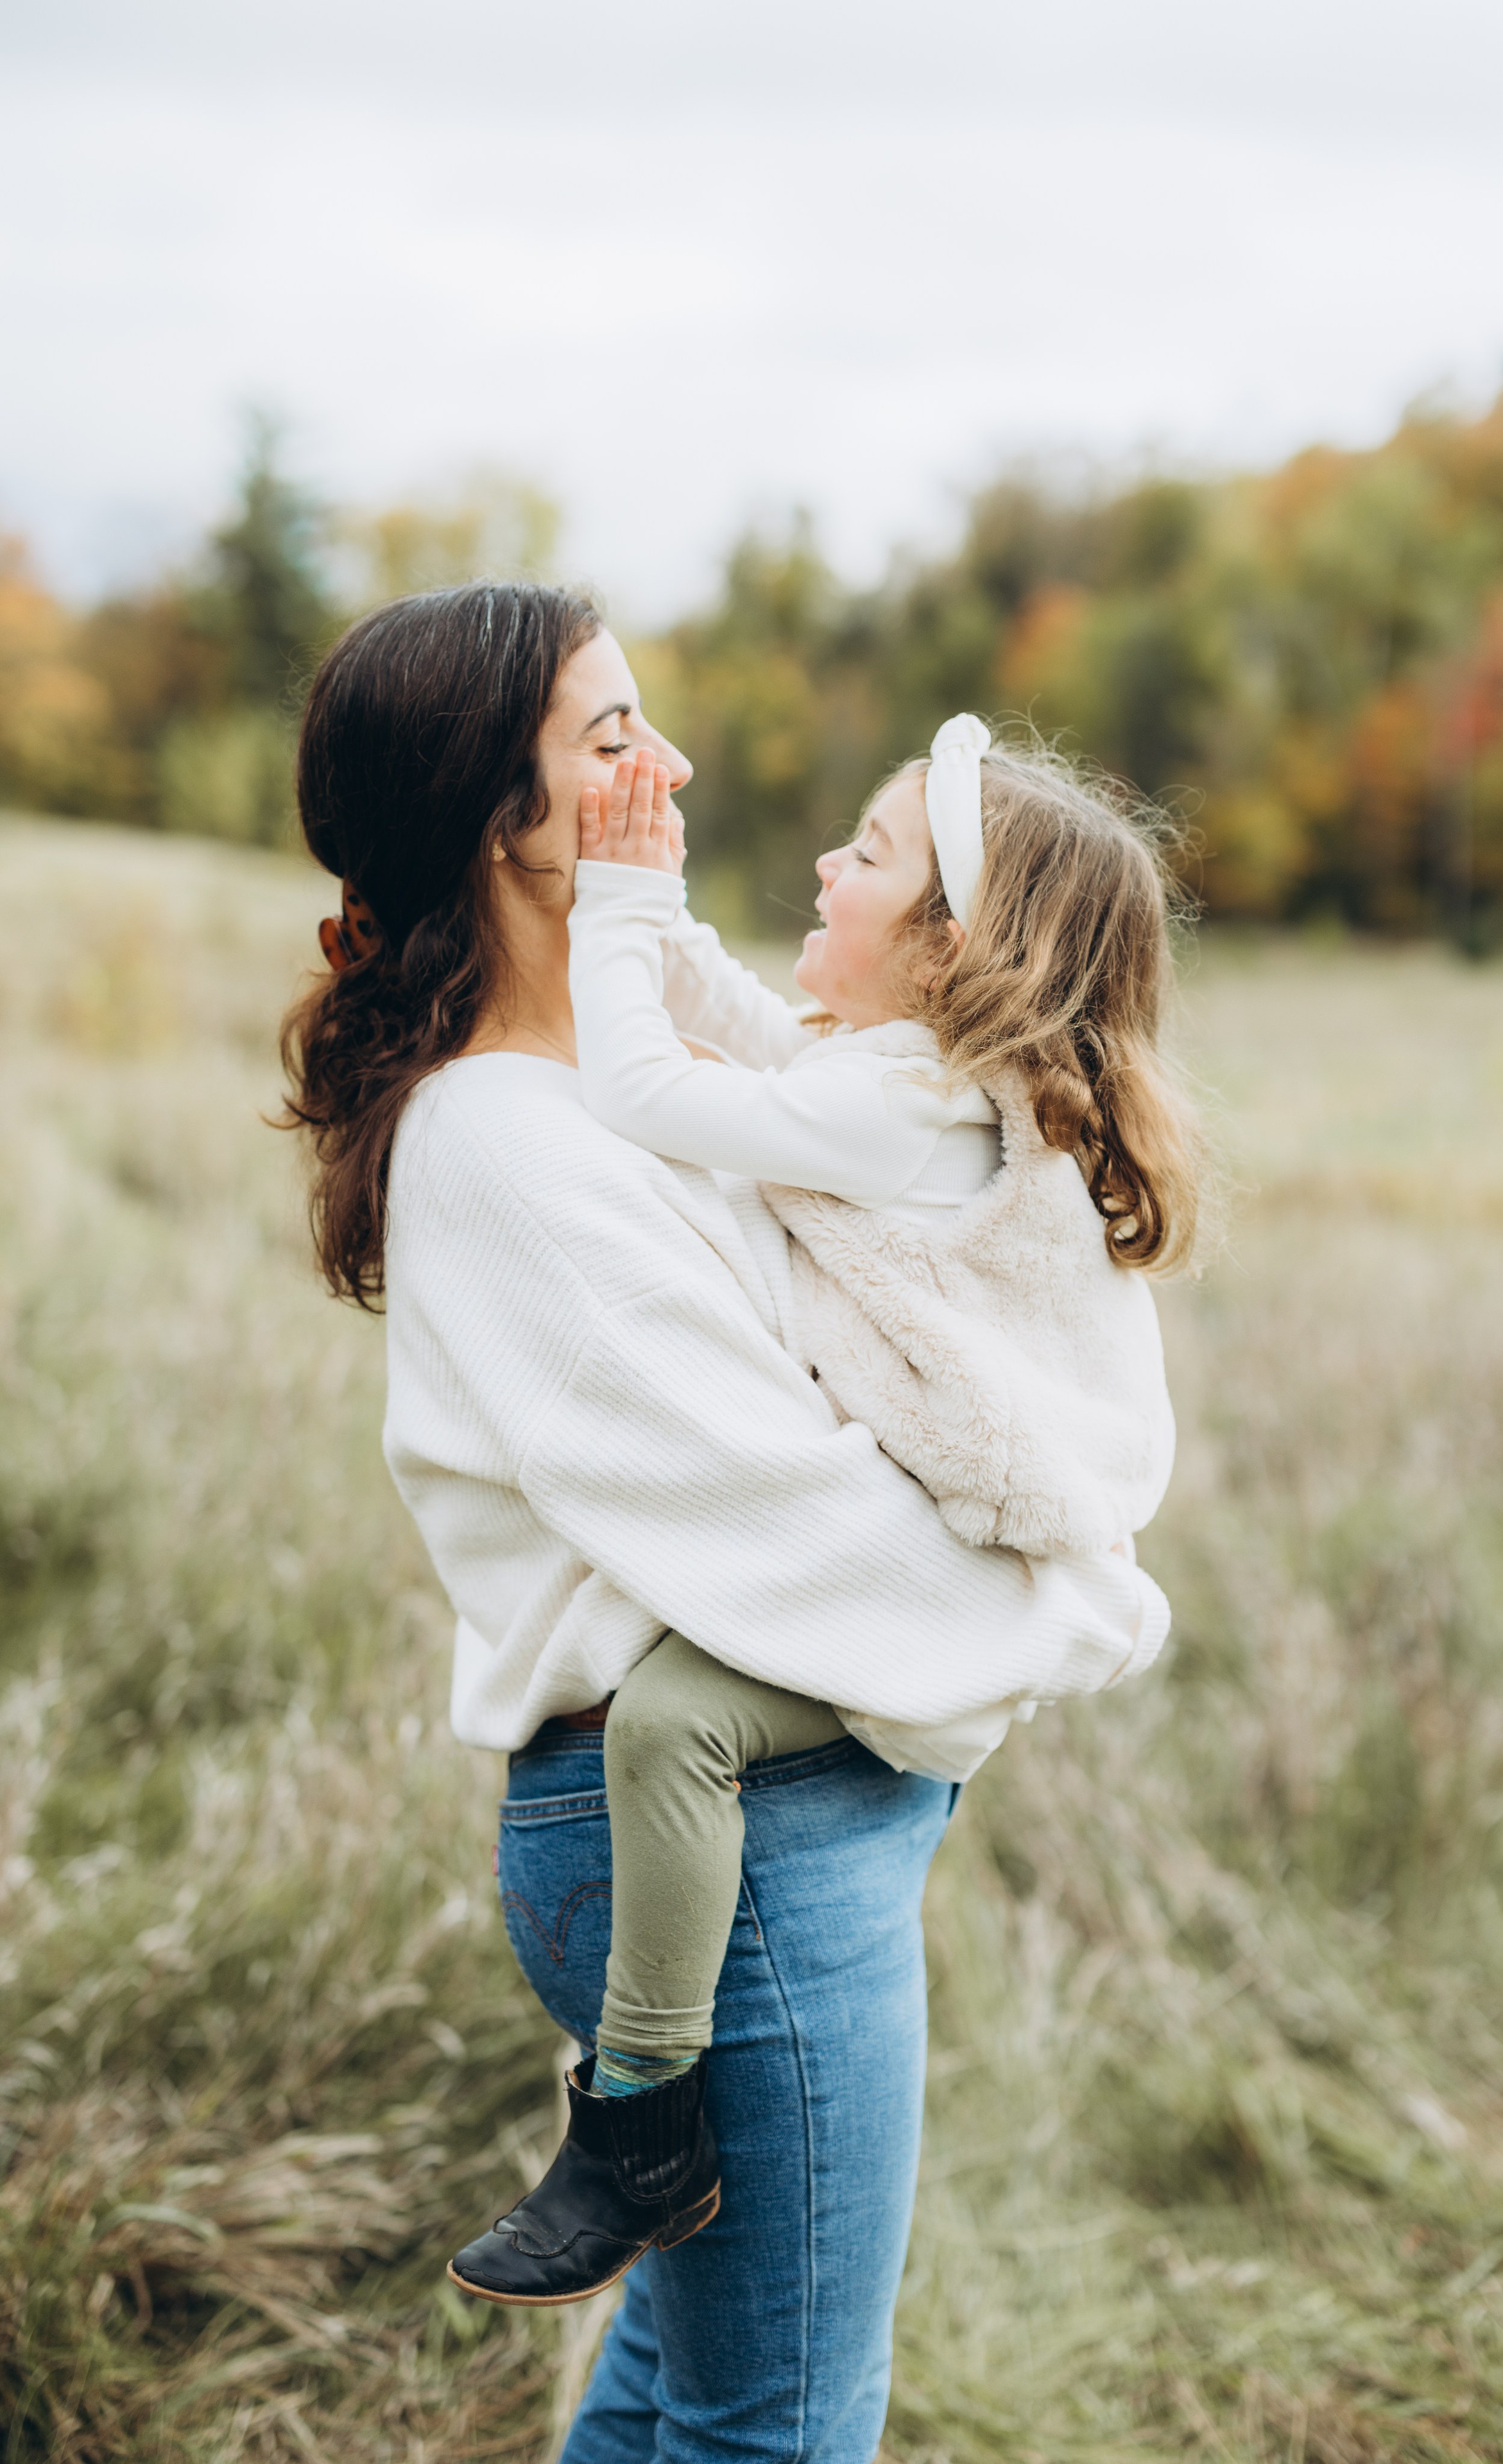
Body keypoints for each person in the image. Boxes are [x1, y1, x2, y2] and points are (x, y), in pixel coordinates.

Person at [282, 581, 1172, 2463]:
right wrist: (1068, 1603)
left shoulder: (614, 1097)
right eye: (607, 741)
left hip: (764, 1812)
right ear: (496, 825)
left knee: (689, 2388)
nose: (664, 762)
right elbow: (799, 1525)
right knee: (778, 2428)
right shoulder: (508, 1147)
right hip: (728, 1834)